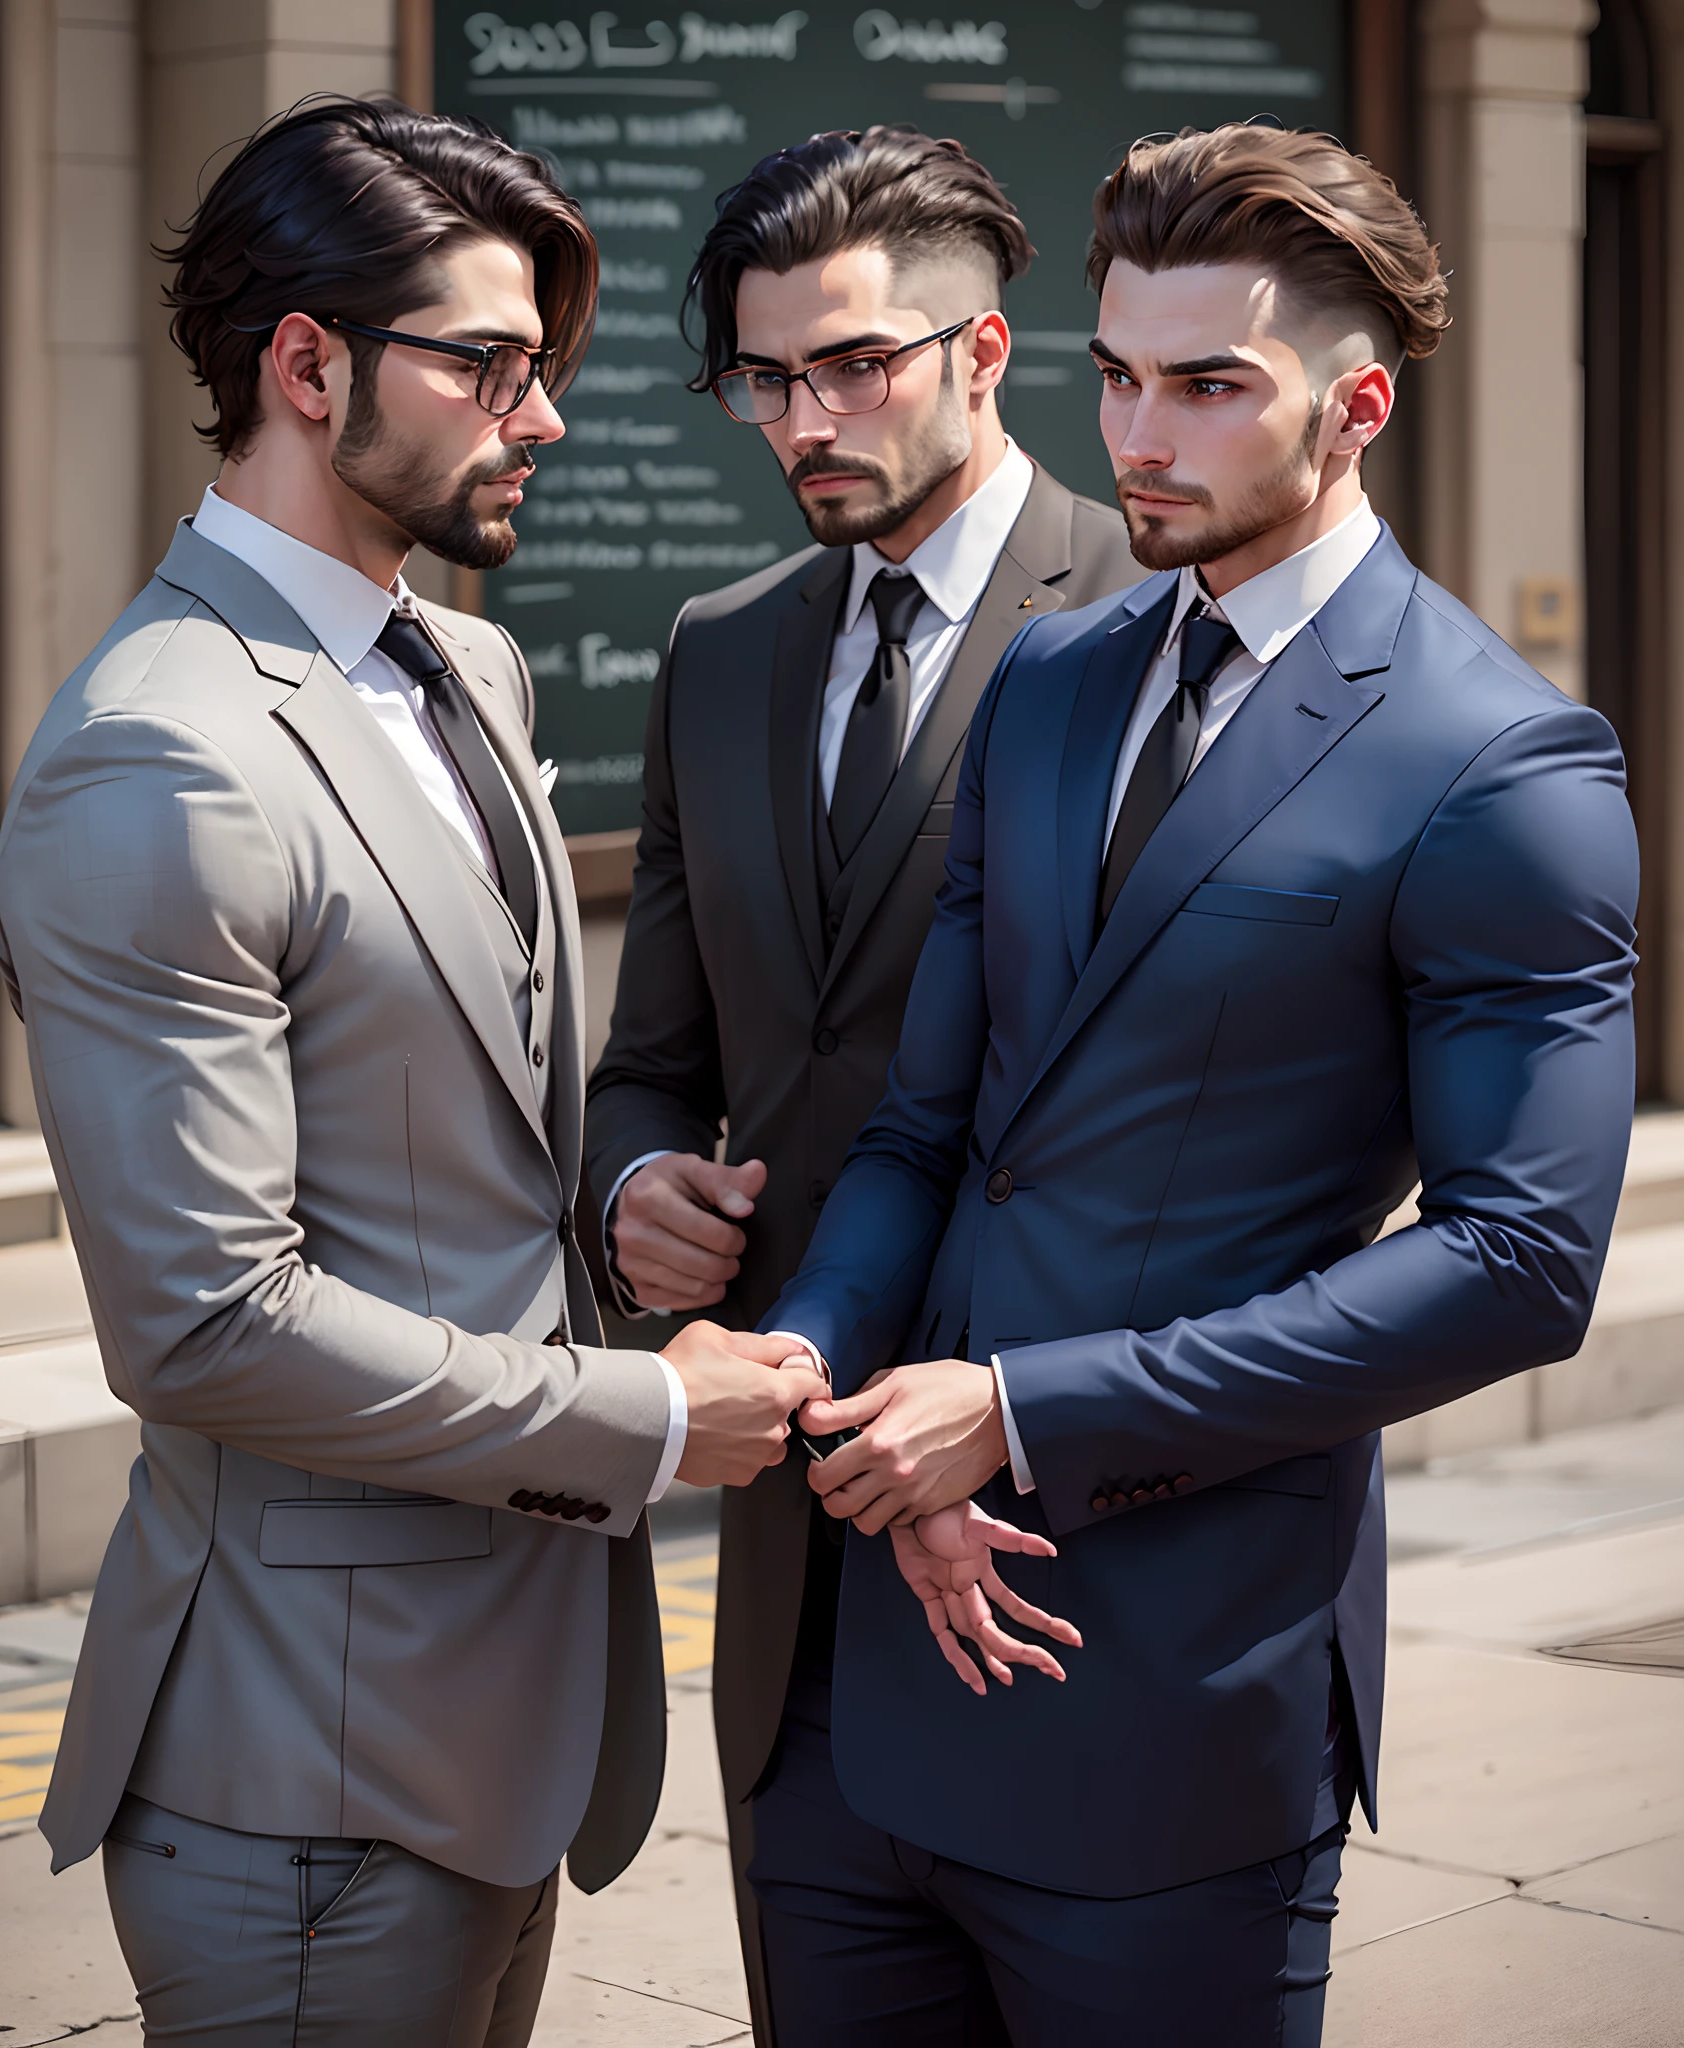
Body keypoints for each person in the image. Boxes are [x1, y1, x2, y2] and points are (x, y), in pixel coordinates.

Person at [762, 123, 1641, 2044]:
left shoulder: (1506, 765)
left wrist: (1021, 1411)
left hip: (1171, 1695)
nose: (1141, 436)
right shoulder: (1056, 681)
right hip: (861, 1695)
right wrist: (815, 1370)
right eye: (1120, 378)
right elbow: (933, 1129)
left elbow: (1518, 1263)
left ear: (1358, 408)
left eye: (1210, 388)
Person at [0, 99, 821, 2046]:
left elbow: (468, 1145)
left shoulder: (470, 667)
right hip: (296, 1760)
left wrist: (621, 1211)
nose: (539, 421)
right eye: (490, 367)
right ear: (306, 365)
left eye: (547, 370)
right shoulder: (159, 754)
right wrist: (635, 1412)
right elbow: (199, 1325)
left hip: (498, 1717)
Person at [580, 125, 1142, 2036]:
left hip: (1051, 1533)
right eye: (763, 376)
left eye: (854, 366)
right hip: (789, 1550)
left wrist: (987, 1416)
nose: (799, 416)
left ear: (986, 355)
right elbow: (656, 1063)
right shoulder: (717, 652)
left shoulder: (1154, 618)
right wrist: (632, 1192)